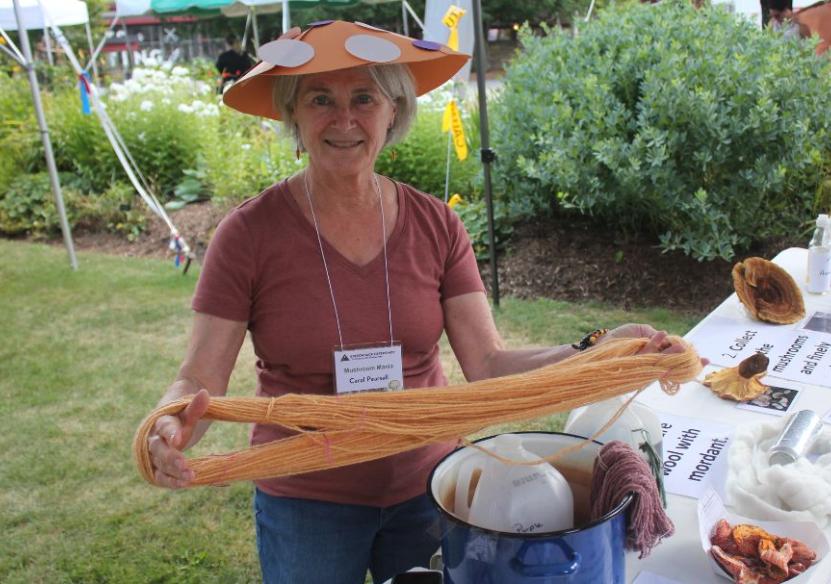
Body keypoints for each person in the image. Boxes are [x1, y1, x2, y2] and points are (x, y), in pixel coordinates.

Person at [143, 21, 697, 584]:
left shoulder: (436, 224)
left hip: (428, 488)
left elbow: (489, 365)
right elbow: (198, 380)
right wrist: (169, 427)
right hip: (306, 499)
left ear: (393, 111)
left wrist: (600, 350)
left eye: (364, 98)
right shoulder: (250, 234)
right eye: (320, 99)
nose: (344, 119)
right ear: (293, 114)